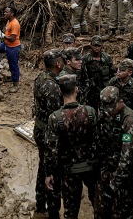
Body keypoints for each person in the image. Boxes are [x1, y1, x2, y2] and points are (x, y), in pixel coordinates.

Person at [45, 74, 98, 219]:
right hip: (91, 168)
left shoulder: (55, 118)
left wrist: (49, 173)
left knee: (70, 212)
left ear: (60, 92)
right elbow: (98, 141)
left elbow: (51, 149)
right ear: (77, 90)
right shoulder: (90, 112)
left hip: (69, 171)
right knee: (98, 207)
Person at [95, 86, 133, 219]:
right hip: (106, 170)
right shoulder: (106, 111)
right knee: (100, 211)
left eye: (111, 108)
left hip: (122, 180)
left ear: (121, 102)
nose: (108, 112)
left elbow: (127, 159)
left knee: (118, 214)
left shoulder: (130, 121)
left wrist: (113, 185)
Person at [33, 49, 65, 219]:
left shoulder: (41, 77)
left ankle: (40, 204)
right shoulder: (52, 86)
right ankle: (52, 211)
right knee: (52, 172)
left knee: (42, 167)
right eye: (62, 61)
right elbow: (55, 117)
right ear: (58, 64)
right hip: (47, 134)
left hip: (39, 129)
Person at [82, 35, 115, 109]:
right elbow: (82, 76)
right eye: (95, 45)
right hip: (91, 92)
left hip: (105, 89)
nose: (97, 48)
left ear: (102, 46)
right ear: (91, 46)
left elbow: (112, 74)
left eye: (99, 46)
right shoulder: (85, 59)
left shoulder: (107, 58)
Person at [2, 5, 22, 92]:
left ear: (12, 14)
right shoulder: (9, 21)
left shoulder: (15, 24)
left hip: (13, 47)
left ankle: (16, 84)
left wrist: (3, 36)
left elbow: (13, 38)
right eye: (5, 12)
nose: (4, 13)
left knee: (13, 65)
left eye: (7, 12)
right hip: (6, 45)